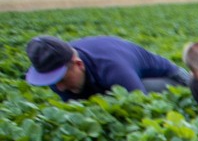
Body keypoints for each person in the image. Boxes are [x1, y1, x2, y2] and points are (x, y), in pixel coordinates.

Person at [24, 35, 188, 101]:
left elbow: (142, 106)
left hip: (167, 76)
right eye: (50, 81)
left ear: (78, 64)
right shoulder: (57, 75)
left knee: (137, 94)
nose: (58, 87)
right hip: (108, 83)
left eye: (62, 79)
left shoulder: (114, 69)